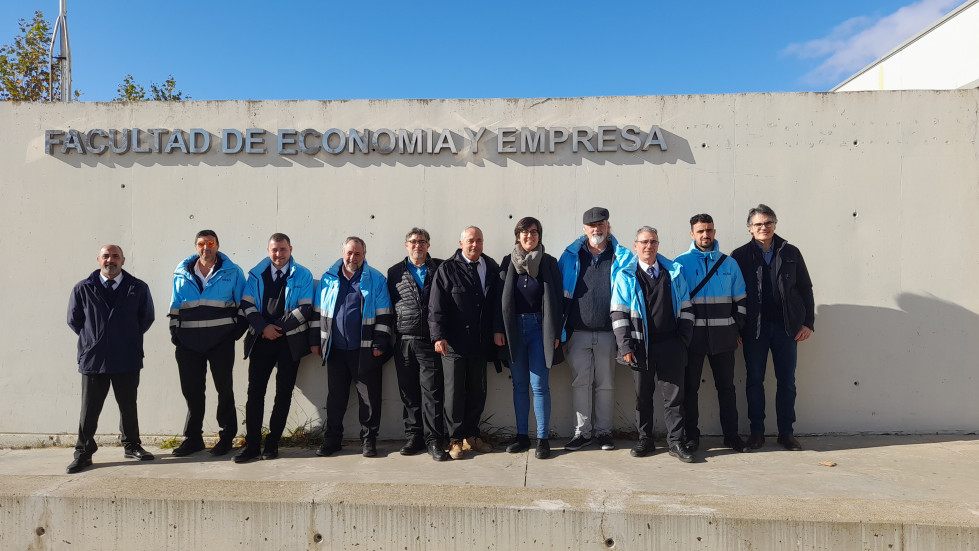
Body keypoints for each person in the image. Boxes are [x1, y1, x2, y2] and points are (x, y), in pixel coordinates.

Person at [731, 204, 814, 451]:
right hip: (753, 329)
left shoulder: (791, 252)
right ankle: (757, 433)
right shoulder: (739, 256)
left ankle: (786, 433)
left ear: (775, 225)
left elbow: (805, 288)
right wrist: (736, 328)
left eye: (768, 223)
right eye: (758, 224)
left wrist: (808, 322)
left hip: (786, 328)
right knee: (754, 380)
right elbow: (732, 295)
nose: (763, 228)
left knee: (786, 381)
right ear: (749, 229)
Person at [66, 245, 155, 474]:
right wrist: (96, 340)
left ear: (123, 260)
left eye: (115, 256)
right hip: (94, 359)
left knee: (128, 405)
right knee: (89, 409)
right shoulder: (83, 288)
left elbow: (146, 318)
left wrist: (125, 337)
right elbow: (74, 320)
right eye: (106, 256)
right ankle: (83, 452)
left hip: (127, 356)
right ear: (98, 260)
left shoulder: (138, 287)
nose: (110, 260)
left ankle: (132, 446)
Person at [611, 228, 696, 463]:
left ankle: (676, 442)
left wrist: (683, 341)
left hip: (672, 345)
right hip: (640, 347)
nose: (649, 246)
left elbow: (687, 309)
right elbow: (619, 314)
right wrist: (625, 347)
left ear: (658, 245)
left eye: (653, 242)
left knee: (674, 399)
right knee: (643, 397)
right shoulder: (625, 275)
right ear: (635, 246)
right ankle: (645, 439)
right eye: (644, 242)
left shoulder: (674, 273)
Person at [558, 207, 635, 451]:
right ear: (584, 229)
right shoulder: (570, 256)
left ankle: (603, 433)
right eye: (592, 226)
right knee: (581, 384)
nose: (596, 229)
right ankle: (582, 433)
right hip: (577, 333)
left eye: (601, 224)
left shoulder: (621, 256)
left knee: (606, 384)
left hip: (609, 333)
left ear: (608, 227)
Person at [234, 233, 315, 463]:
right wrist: (263, 328)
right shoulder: (256, 274)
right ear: (268, 250)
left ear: (290, 249)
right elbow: (247, 304)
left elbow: (306, 309)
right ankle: (251, 445)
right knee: (255, 393)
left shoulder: (303, 274)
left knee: (283, 394)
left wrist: (275, 328)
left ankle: (272, 443)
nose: (278, 254)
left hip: (289, 343)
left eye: (282, 249)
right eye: (274, 250)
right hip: (260, 341)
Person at [311, 237, 393, 458]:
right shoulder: (329, 279)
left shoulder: (375, 279)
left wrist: (379, 344)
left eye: (357, 254)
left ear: (364, 255)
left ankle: (368, 441)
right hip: (335, 350)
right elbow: (318, 312)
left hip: (365, 350)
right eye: (349, 253)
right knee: (335, 398)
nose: (352, 258)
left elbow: (385, 314)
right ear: (343, 253)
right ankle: (332, 441)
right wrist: (315, 341)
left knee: (369, 399)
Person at [674, 214, 748, 453]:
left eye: (709, 230)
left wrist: (736, 328)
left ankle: (732, 436)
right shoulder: (680, 264)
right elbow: (676, 302)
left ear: (714, 232)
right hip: (692, 339)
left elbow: (742, 301)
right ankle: (691, 436)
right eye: (700, 231)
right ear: (692, 234)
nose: (705, 235)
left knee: (727, 388)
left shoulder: (729, 264)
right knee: (690, 389)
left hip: (724, 338)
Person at [169, 230, 246, 457]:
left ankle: (226, 437)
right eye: (201, 243)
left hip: (220, 343)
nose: (206, 247)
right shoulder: (181, 273)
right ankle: (193, 439)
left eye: (210, 243)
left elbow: (244, 303)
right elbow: (175, 306)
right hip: (188, 344)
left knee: (224, 390)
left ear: (217, 246)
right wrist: (176, 333)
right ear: (195, 247)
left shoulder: (232, 272)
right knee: (192, 391)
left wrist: (234, 333)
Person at [493, 217, 563, 460]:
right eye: (524, 232)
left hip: (539, 330)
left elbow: (558, 302)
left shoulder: (549, 262)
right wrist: (498, 329)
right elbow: (498, 300)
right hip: (514, 330)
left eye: (534, 232)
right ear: (518, 235)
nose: (529, 236)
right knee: (520, 385)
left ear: (539, 235)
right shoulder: (507, 262)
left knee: (540, 385)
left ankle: (542, 439)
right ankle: (522, 436)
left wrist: (555, 333)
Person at [429, 226, 500, 460]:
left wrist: (498, 331)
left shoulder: (490, 267)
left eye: (479, 240)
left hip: (480, 343)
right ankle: (455, 439)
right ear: (461, 243)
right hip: (453, 345)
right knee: (454, 394)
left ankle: (472, 436)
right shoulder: (447, 269)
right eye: (470, 240)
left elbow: (498, 305)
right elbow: (436, 306)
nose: (475, 245)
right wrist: (438, 336)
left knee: (478, 391)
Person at [387, 228, 448, 461]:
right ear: (406, 245)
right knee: (408, 392)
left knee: (432, 392)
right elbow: (389, 305)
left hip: (430, 341)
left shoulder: (440, 268)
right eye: (413, 242)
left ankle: (434, 441)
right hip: (403, 340)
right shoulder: (394, 272)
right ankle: (414, 437)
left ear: (428, 245)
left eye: (422, 242)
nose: (417, 246)